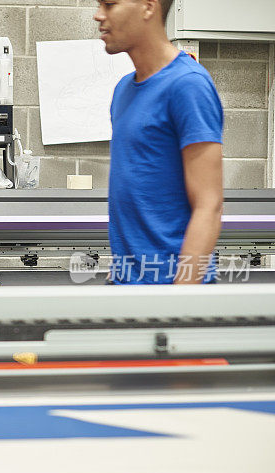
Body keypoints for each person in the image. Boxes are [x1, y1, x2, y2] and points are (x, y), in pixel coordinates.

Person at [96, 0, 224, 284]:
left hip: (172, 293)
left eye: (110, 4)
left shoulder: (188, 85)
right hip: (128, 286)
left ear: (148, 7)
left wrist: (178, 302)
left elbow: (209, 204)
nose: (98, 15)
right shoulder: (123, 91)